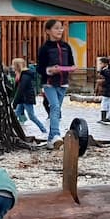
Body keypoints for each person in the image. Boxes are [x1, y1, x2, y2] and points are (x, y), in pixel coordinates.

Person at [36, 19, 76, 149]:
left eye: (61, 28)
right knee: (54, 106)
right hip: (49, 83)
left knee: (57, 110)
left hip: (63, 83)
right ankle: (56, 135)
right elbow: (39, 68)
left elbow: (71, 63)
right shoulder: (44, 48)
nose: (60, 30)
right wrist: (50, 70)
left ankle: (50, 141)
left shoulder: (66, 46)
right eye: (56, 28)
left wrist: (71, 68)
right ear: (48, 31)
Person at [12, 58, 46, 135]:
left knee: (31, 116)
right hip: (22, 98)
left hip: (26, 98)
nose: (12, 67)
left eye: (13, 65)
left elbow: (21, 89)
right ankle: (11, 130)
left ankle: (43, 129)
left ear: (17, 66)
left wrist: (15, 101)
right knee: (15, 114)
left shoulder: (25, 76)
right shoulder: (20, 74)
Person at [94, 56, 110, 124]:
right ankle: (104, 118)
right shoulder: (102, 69)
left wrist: (99, 81)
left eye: (101, 63)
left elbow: (106, 79)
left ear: (105, 63)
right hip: (103, 88)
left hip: (106, 89)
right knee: (104, 104)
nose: (100, 64)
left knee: (107, 104)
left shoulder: (106, 70)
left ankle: (107, 118)